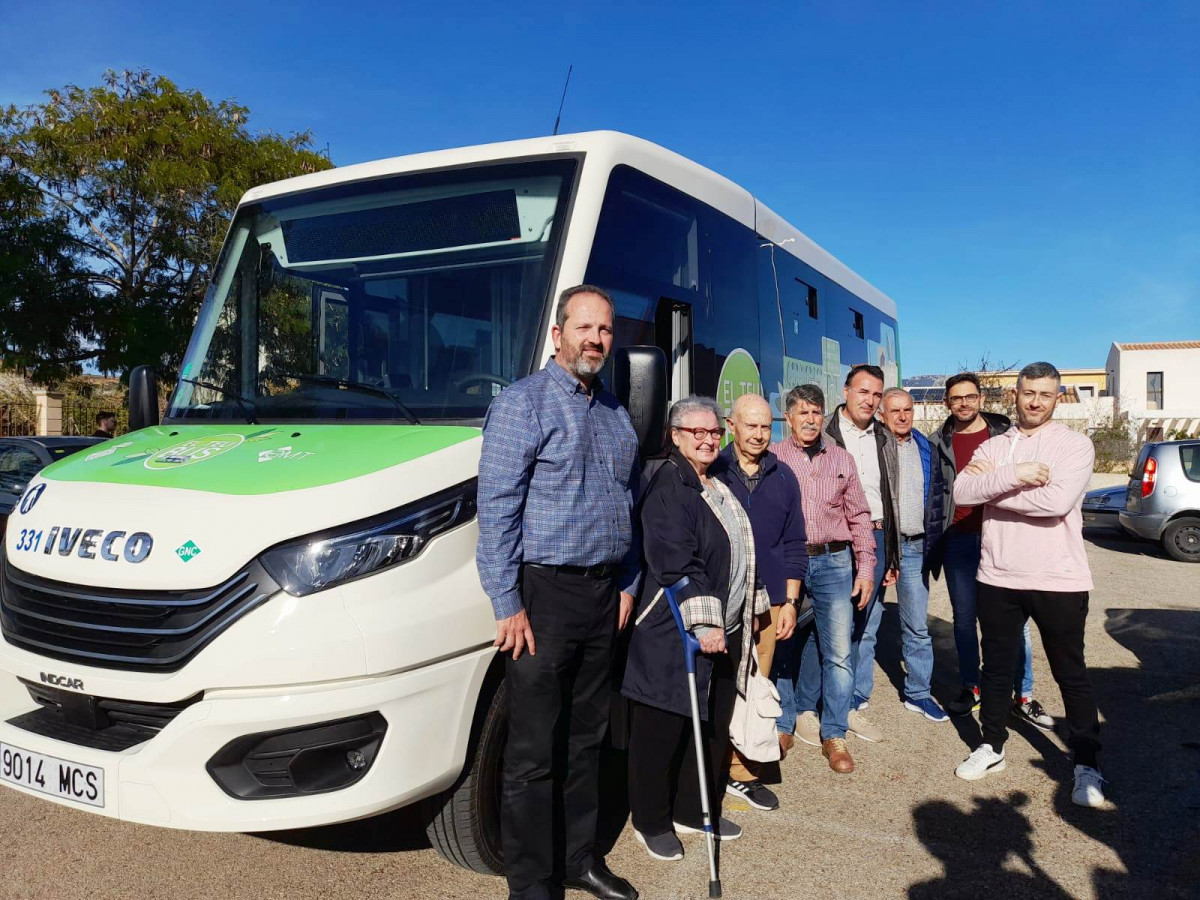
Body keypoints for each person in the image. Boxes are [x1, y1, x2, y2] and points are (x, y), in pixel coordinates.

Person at [476, 284, 640, 900]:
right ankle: (531, 883)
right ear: (558, 334)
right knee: (533, 750)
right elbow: (495, 509)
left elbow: (627, 502)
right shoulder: (523, 405)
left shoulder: (615, 412)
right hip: (541, 597)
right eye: (584, 328)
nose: (595, 339)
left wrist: (625, 580)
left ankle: (579, 859)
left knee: (587, 740)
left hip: (603, 599)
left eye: (604, 330)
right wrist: (506, 601)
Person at [952, 362, 1105, 808]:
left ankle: (1087, 763)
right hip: (997, 575)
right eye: (1027, 393)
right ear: (1013, 396)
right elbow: (963, 492)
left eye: (1045, 394)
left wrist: (993, 490)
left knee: (1070, 673)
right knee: (996, 669)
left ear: (1057, 398)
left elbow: (1055, 503)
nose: (1035, 401)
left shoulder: (1075, 445)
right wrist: (1017, 474)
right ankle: (992, 746)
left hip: (1058, 578)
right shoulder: (997, 446)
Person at [623, 396, 771, 860]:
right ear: (675, 435)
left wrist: (754, 601)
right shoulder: (669, 484)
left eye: (714, 433)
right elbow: (676, 560)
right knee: (663, 727)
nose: (709, 440)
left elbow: (737, 545)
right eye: (697, 433)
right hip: (674, 626)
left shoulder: (715, 479)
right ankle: (649, 820)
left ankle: (692, 810)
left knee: (709, 726)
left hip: (721, 628)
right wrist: (706, 620)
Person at [934, 373, 1053, 728]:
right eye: (957, 398)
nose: (964, 403)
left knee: (1015, 622)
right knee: (964, 620)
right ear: (947, 403)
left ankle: (1023, 694)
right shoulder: (939, 441)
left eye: (970, 397)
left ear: (981, 399)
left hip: (1000, 537)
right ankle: (973, 686)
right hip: (958, 538)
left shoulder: (1004, 436)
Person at [771, 384, 875, 774]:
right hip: (789, 563)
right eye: (803, 413)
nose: (811, 420)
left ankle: (834, 733)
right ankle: (783, 725)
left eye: (816, 413)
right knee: (782, 644)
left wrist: (865, 567)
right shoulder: (773, 457)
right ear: (789, 418)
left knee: (838, 653)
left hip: (835, 562)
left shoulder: (841, 459)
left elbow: (860, 516)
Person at [712, 393, 808, 810]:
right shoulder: (710, 472)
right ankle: (709, 768)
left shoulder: (785, 477)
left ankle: (742, 773)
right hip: (719, 602)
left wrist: (789, 602)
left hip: (769, 602)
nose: (758, 434)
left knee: (756, 691)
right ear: (731, 426)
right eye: (750, 425)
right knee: (715, 686)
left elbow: (794, 545)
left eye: (765, 427)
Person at [820, 364, 899, 743]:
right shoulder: (825, 435)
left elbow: (893, 498)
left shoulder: (885, 437)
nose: (869, 400)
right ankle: (830, 702)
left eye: (876, 394)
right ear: (846, 391)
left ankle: (853, 701)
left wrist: (893, 554)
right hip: (839, 541)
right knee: (838, 626)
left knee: (868, 625)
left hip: (879, 538)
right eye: (863, 391)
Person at [877, 388, 948, 723]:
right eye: (895, 411)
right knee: (865, 625)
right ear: (882, 414)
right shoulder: (873, 445)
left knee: (917, 626)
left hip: (916, 547)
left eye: (907, 409)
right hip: (881, 545)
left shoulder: (926, 446)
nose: (902, 416)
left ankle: (918, 693)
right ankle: (857, 695)